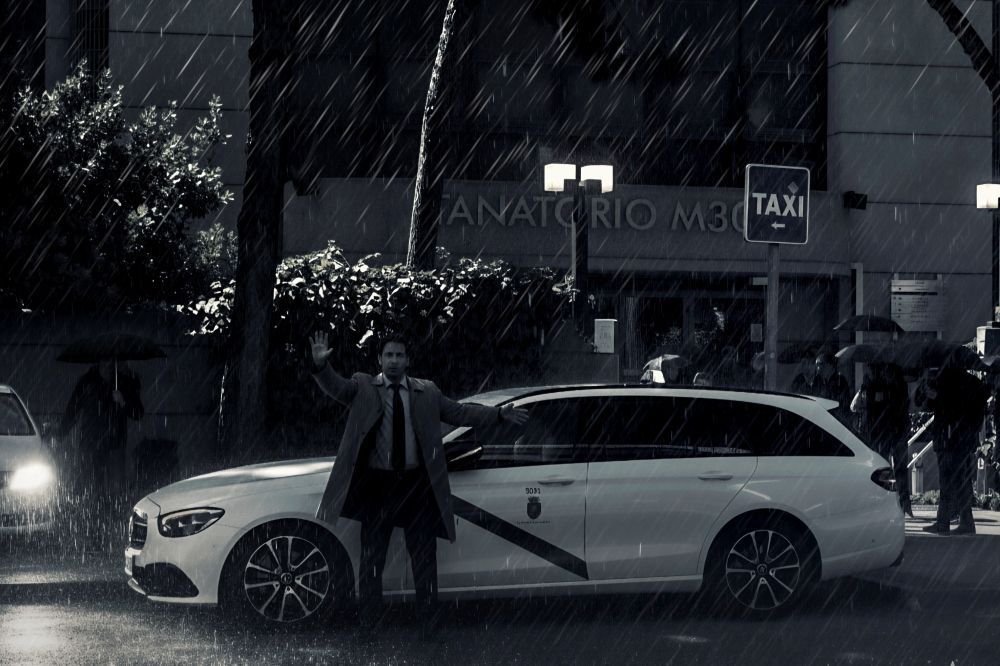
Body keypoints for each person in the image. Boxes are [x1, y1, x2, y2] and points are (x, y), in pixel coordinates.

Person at [308, 330, 528, 637]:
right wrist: (321, 367)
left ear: (408, 360)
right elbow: (337, 389)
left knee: (424, 558)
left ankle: (429, 625)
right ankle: (369, 625)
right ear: (379, 359)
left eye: (400, 355)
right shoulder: (363, 386)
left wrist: (498, 415)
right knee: (373, 558)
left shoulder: (427, 392)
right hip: (377, 486)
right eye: (389, 355)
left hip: (416, 485)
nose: (394, 361)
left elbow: (461, 413)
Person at [915, 367, 988, 535]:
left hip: (951, 439)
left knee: (950, 481)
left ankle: (948, 522)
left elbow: (949, 406)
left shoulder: (953, 383)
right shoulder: (968, 383)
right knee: (958, 481)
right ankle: (961, 521)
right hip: (958, 439)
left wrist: (933, 394)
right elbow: (925, 403)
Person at [61, 361, 144, 505]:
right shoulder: (87, 381)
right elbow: (72, 410)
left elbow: (138, 413)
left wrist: (123, 401)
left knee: (116, 489)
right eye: (105, 361)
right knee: (91, 486)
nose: (109, 365)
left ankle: (112, 516)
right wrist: (60, 433)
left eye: (112, 362)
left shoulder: (124, 382)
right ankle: (93, 517)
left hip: (115, 443)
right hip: (90, 443)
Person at [856, 363, 912, 516]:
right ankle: (900, 503)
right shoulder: (872, 385)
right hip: (886, 430)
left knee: (892, 468)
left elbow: (896, 407)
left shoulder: (895, 386)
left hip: (890, 430)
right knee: (893, 468)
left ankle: (901, 503)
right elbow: (858, 406)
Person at [814, 353, 852, 422]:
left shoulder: (839, 381)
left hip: (837, 421)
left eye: (819, 364)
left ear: (829, 365)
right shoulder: (821, 381)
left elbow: (840, 403)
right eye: (816, 365)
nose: (817, 368)